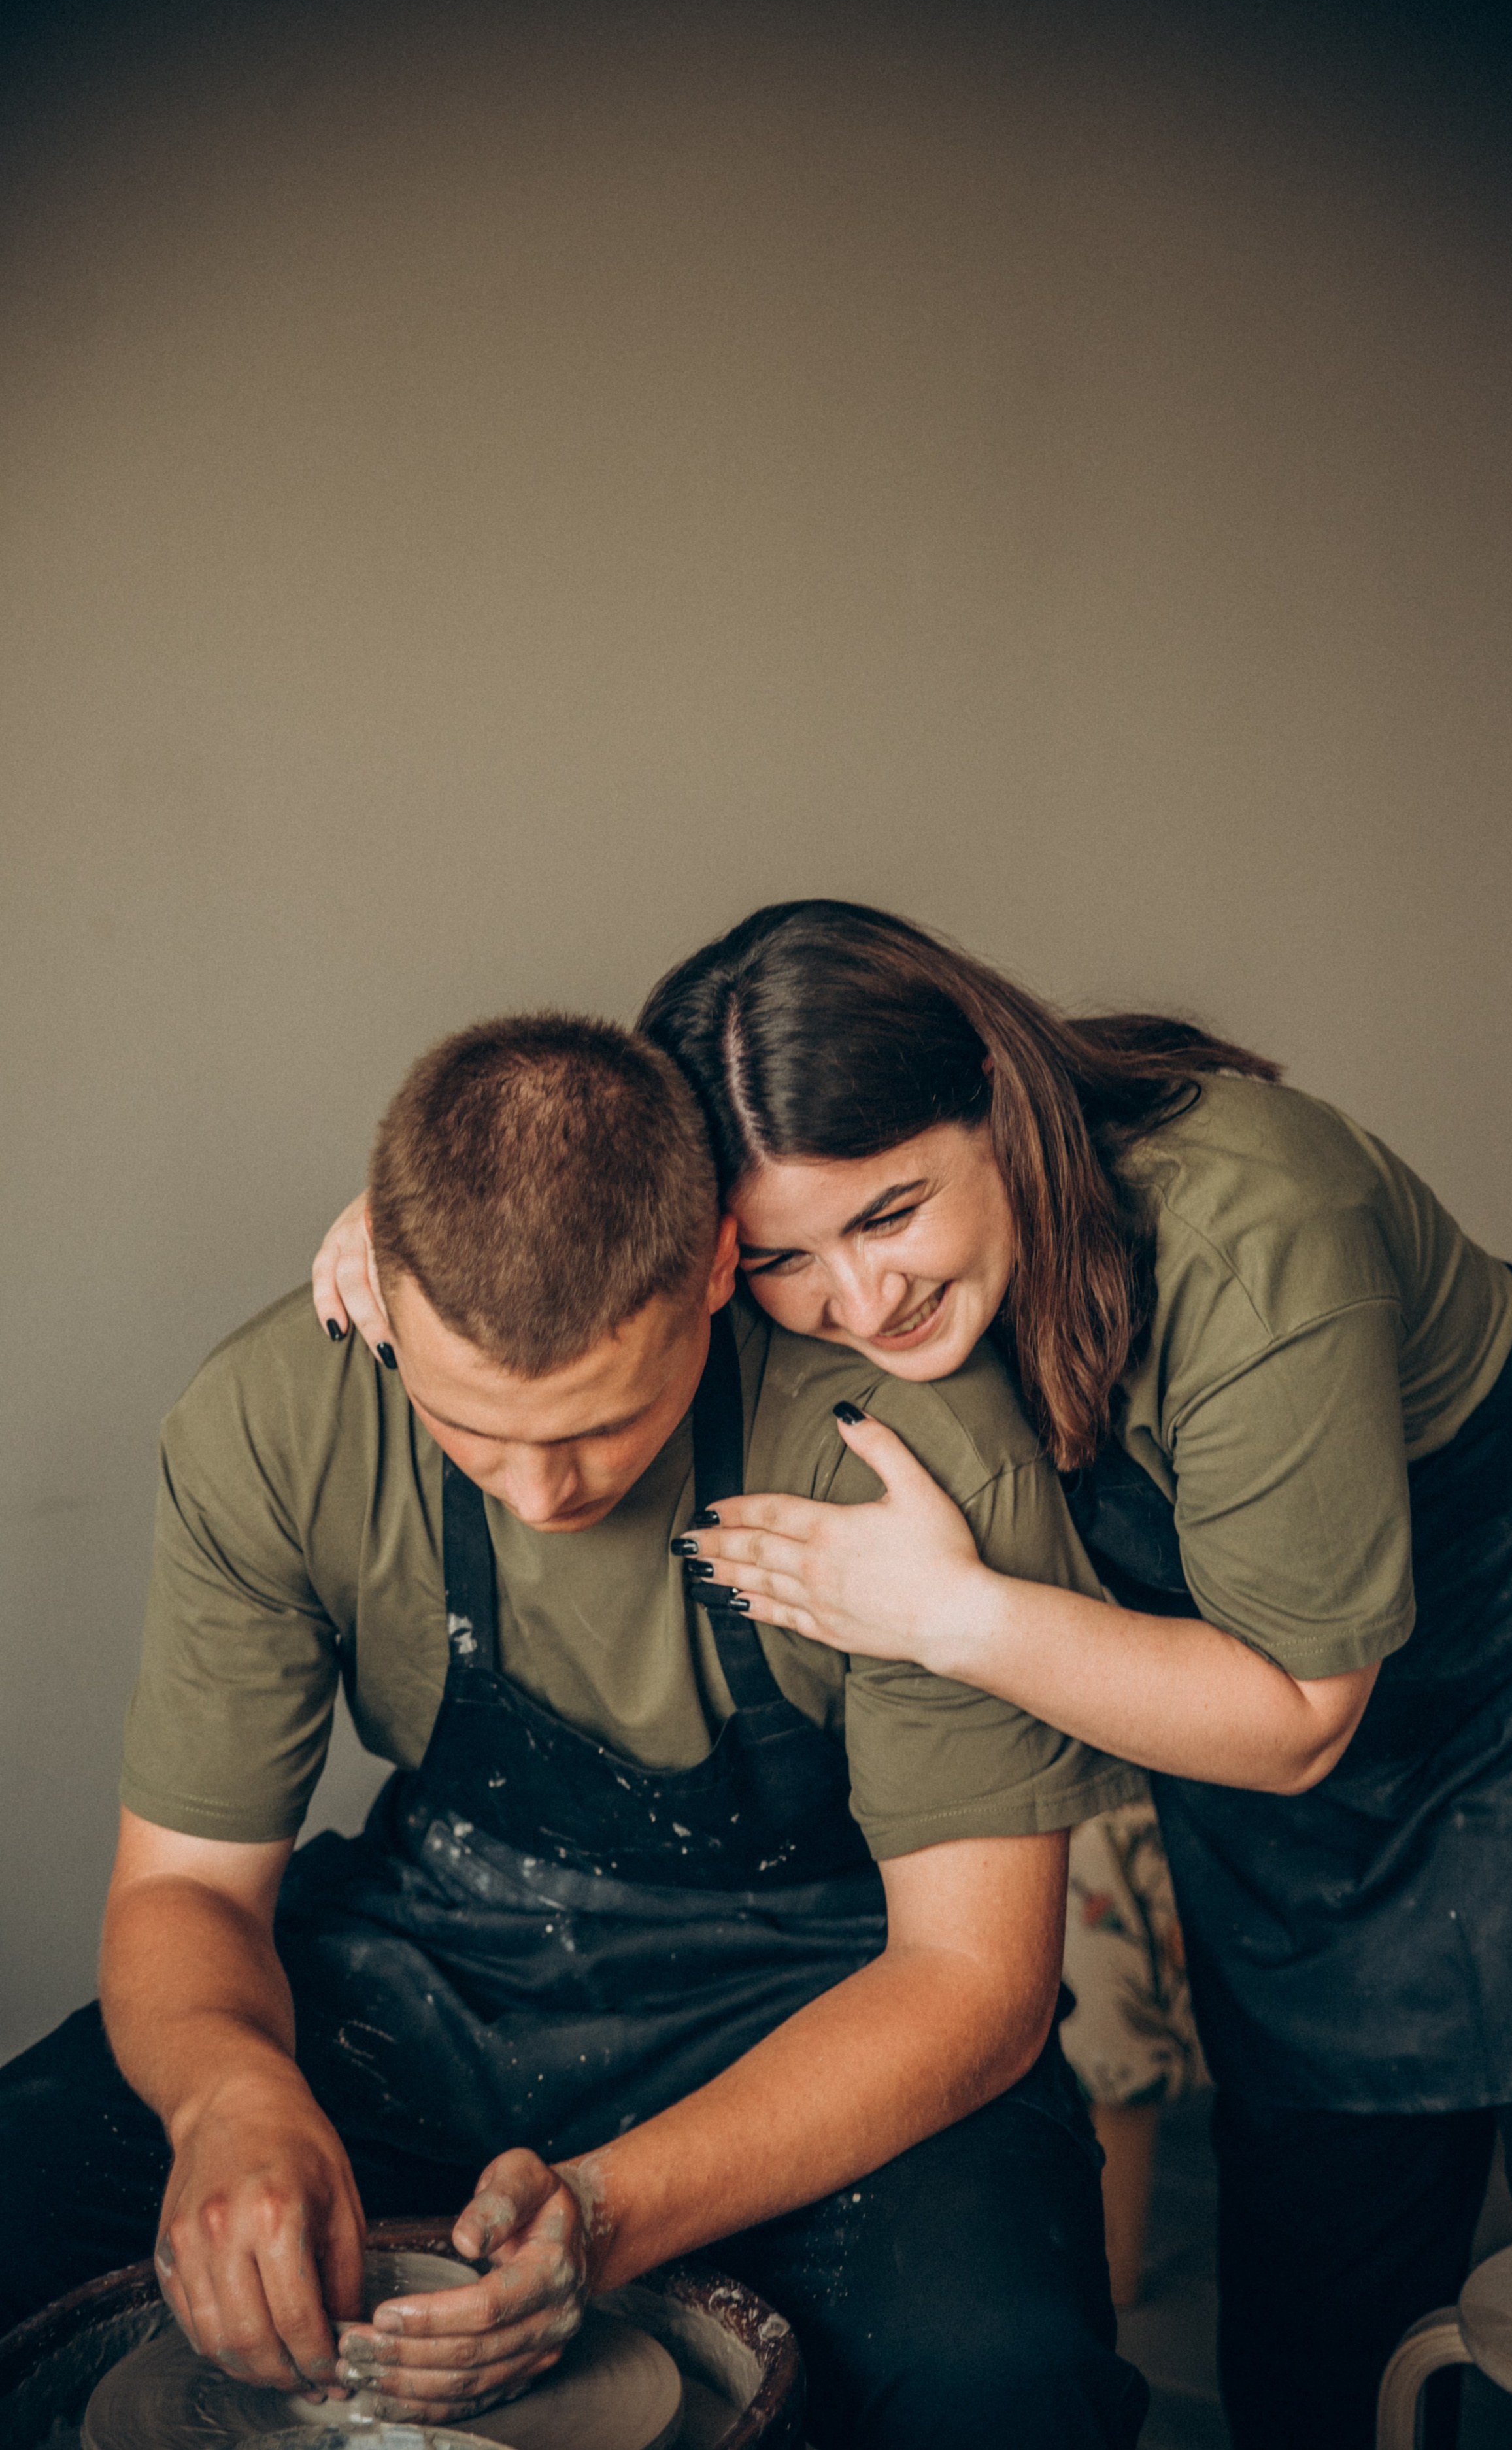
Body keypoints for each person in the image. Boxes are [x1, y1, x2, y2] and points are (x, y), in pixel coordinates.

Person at [305, 898, 1512, 2450]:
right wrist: (435, 1248)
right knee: (1315, 2300)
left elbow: (1296, 1716)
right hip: (1250, 1708)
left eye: (890, 1214)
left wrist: (946, 1615)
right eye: (782, 1257)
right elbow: (574, 1191)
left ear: (995, 1103)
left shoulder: (1249, 1213)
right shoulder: (806, 1266)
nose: (857, 1302)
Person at [0, 1010, 1151, 2450]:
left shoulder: (900, 1450)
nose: (543, 1493)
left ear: (718, 1269)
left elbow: (974, 1980)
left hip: (837, 1992)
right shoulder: (274, 1415)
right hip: (438, 1960)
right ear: (385, 1294)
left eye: (604, 1424)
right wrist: (231, 2095)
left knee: (1002, 2376)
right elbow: (184, 1887)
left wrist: (608, 2210)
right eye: (473, 1432)